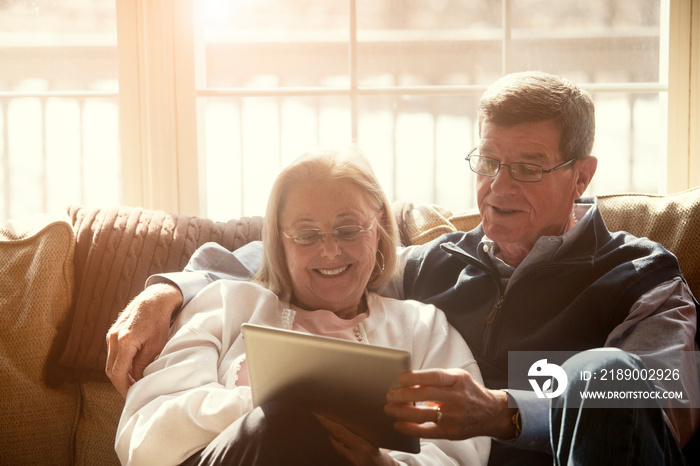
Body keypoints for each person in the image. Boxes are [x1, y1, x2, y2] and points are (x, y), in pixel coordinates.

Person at [107, 72, 700, 465]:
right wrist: (169, 289)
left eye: (528, 166)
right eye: (489, 161)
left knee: (608, 370)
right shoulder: (431, 268)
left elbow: (663, 403)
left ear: (582, 175)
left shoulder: (643, 274)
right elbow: (310, 259)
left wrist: (504, 410)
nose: (497, 187)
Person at [114, 148, 491, 465]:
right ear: (280, 240)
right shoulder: (226, 305)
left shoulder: (423, 329)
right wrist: (274, 405)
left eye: (348, 230)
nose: (329, 251)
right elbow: (143, 436)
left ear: (377, 227)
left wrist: (385, 463)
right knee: (278, 422)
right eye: (307, 235)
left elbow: (463, 451)